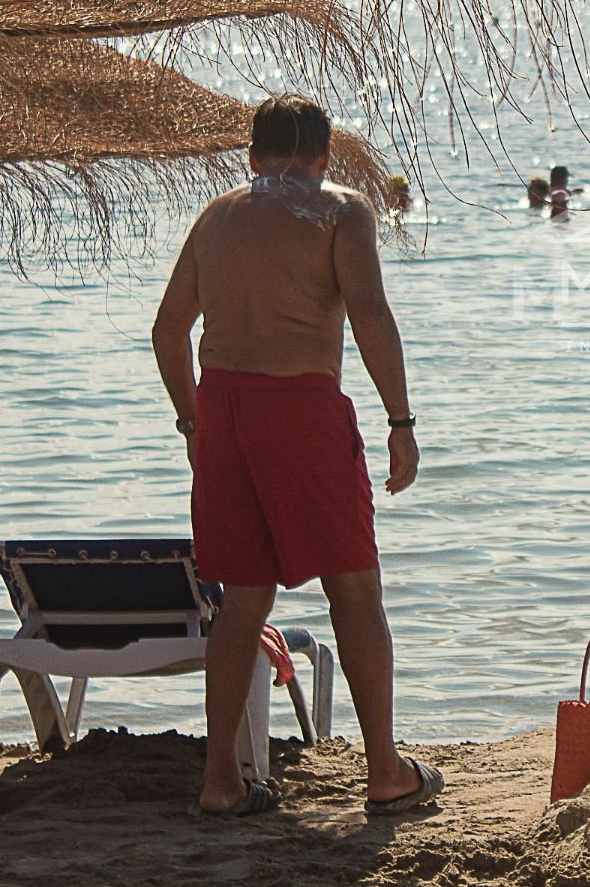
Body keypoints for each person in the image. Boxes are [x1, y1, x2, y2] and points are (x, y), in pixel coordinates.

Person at [152, 95, 441, 818]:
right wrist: (400, 421)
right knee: (354, 590)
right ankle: (384, 770)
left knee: (242, 603)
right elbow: (369, 313)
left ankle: (220, 781)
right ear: (322, 158)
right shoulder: (340, 209)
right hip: (301, 406)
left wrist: (193, 422)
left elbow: (166, 332)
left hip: (222, 408)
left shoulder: (216, 215)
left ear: (252, 158)